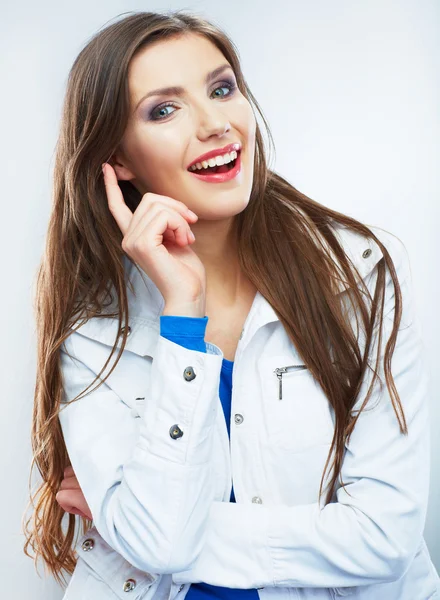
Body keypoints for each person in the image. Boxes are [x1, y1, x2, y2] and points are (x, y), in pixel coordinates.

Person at [23, 9, 440, 600]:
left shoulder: (358, 276)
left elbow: (384, 535)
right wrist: (182, 314)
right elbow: (159, 550)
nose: (216, 123)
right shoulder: (94, 333)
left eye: (222, 89)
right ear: (117, 161)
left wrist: (140, 528)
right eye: (164, 110)